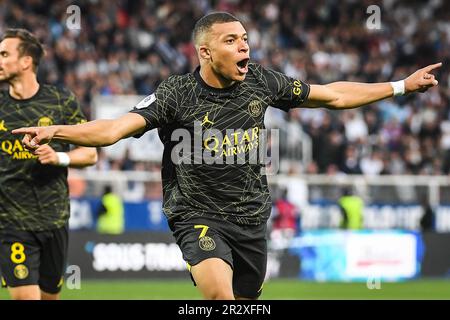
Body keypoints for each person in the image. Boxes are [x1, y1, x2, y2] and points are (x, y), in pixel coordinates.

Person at [13, 12, 441, 299]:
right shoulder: (175, 94)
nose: (244, 48)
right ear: (205, 51)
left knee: (242, 299)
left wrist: (400, 86)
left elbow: (331, 96)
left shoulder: (261, 82)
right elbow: (111, 130)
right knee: (220, 296)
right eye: (232, 41)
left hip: (251, 218)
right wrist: (57, 129)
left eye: (246, 40)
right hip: (196, 213)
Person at [0, 29, 98, 300]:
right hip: (11, 221)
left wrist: (59, 157)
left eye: (4, 54)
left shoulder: (60, 101)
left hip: (54, 219)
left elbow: (90, 155)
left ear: (25, 61)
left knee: (49, 297)